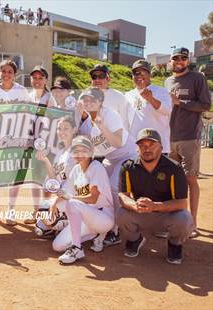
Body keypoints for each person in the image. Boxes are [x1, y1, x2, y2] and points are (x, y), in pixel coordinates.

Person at [117, 128, 193, 264]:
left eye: (152, 144)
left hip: (166, 215)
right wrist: (135, 205)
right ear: (137, 148)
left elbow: (182, 203)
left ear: (161, 147)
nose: (147, 148)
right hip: (141, 213)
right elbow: (123, 196)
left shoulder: (174, 169)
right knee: (121, 213)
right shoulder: (128, 167)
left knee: (184, 217)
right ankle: (135, 239)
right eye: (142, 145)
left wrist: (154, 206)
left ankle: (175, 244)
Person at [78, 87, 137, 246]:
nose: (88, 102)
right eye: (85, 99)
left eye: (92, 100)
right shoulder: (85, 125)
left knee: (113, 187)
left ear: (100, 102)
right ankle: (106, 222)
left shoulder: (109, 114)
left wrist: (102, 127)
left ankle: (116, 230)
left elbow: (117, 142)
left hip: (127, 153)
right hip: (111, 158)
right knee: (100, 188)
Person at [164, 47, 212, 238]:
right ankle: (175, 221)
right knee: (173, 182)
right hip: (170, 138)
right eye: (176, 58)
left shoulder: (197, 78)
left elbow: (205, 104)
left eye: (183, 58)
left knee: (191, 179)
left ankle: (193, 224)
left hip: (190, 137)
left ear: (188, 60)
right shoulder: (167, 81)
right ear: (171, 60)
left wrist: (181, 103)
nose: (179, 61)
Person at [54, 136, 114, 264]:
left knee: (72, 203)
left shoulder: (96, 167)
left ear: (91, 152)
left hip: (103, 217)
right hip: (86, 218)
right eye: (76, 151)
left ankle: (77, 248)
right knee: (57, 246)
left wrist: (70, 198)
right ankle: (95, 235)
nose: (79, 154)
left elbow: (93, 199)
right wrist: (53, 205)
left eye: (84, 150)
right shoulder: (76, 170)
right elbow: (65, 192)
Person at [0, 59, 30, 226]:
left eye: (10, 71)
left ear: (15, 74)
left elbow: (27, 114)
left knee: (14, 177)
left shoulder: (22, 91)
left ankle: (11, 210)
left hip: (16, 139)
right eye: (3, 71)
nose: (6, 74)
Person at [35, 115, 78, 223]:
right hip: (62, 195)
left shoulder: (77, 151)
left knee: (46, 216)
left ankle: (67, 220)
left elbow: (74, 184)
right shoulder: (60, 153)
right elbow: (53, 178)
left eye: (66, 128)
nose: (61, 131)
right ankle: (61, 221)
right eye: (59, 128)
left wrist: (55, 201)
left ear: (74, 130)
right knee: (41, 220)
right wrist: (46, 161)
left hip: (73, 198)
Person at [125, 60, 172, 153]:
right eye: (136, 73)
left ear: (150, 74)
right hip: (135, 149)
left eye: (142, 72)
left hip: (158, 148)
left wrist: (150, 99)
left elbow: (167, 111)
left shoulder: (161, 91)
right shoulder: (128, 95)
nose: (139, 76)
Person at [89, 64, 132, 130]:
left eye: (101, 76)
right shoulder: (84, 96)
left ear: (108, 79)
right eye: (94, 77)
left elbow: (124, 124)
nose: (97, 80)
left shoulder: (119, 97)